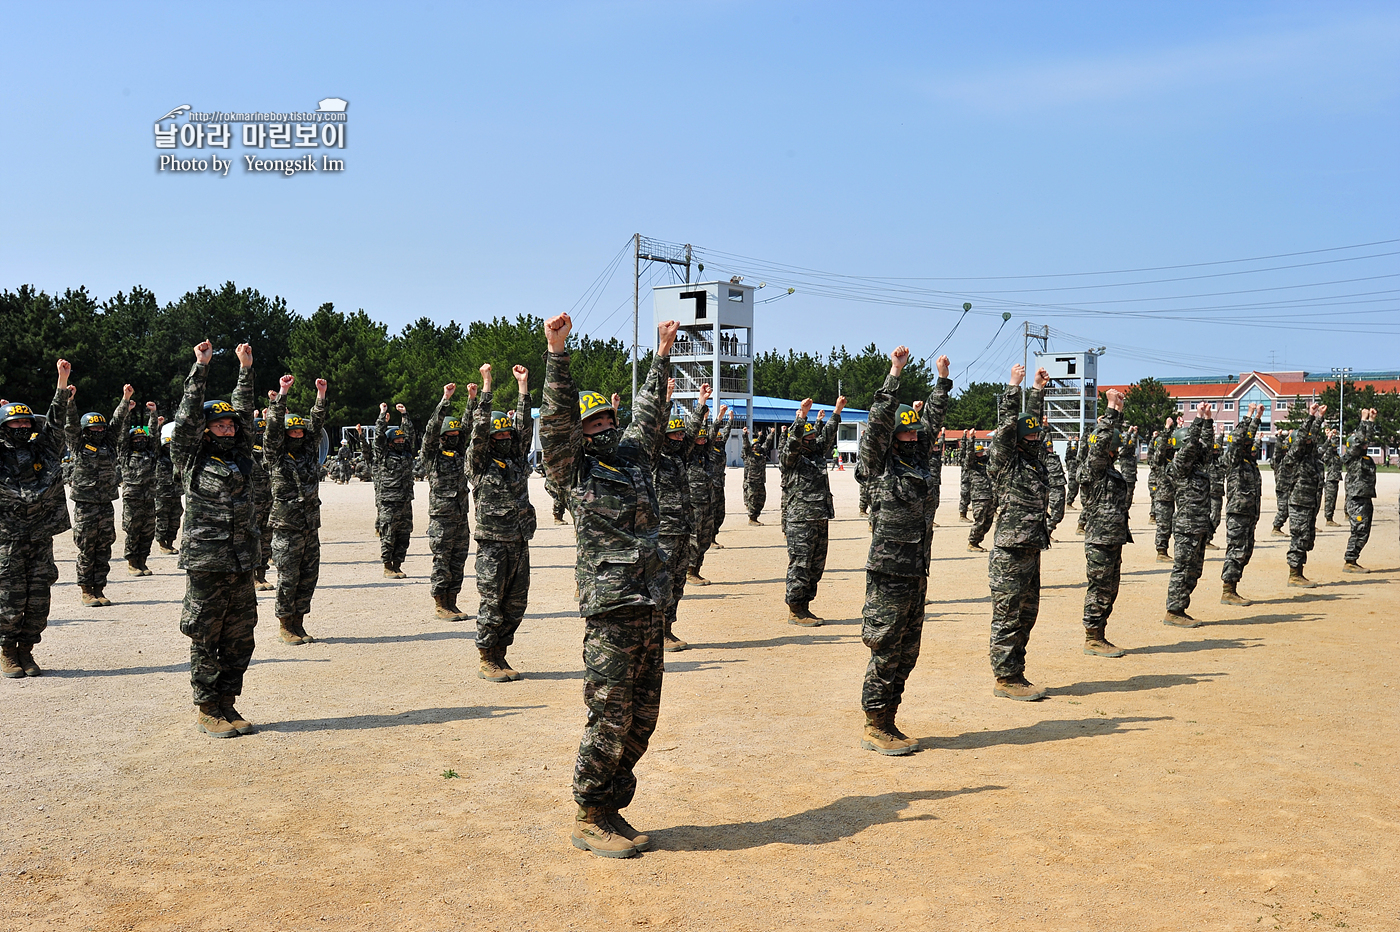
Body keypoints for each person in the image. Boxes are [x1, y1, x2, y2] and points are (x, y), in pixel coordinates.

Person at [541, 310, 676, 859]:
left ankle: (612, 805)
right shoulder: (573, 469)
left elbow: (648, 411)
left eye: (604, 423)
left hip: (649, 608)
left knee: (643, 716)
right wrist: (557, 355)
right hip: (611, 608)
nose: (603, 430)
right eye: (591, 425)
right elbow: (553, 421)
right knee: (610, 713)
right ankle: (588, 811)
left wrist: (663, 353)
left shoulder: (632, 460)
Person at [857, 347, 951, 755]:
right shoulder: (879, 466)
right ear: (891, 439)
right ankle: (874, 722)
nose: (912, 437)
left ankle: (890, 719)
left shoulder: (923, 465)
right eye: (905, 433)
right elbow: (878, 424)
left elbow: (934, 421)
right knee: (886, 647)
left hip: (916, 571)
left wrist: (941, 381)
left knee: (908, 650)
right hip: (889, 573)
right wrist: (895, 374)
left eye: (915, 433)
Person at [172, 340, 259, 737]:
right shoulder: (191, 456)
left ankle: (228, 702)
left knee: (240, 638)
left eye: (230, 425)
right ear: (205, 432)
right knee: (205, 635)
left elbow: (245, 414)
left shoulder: (241, 454)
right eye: (219, 425)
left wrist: (245, 369)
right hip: (207, 561)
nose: (227, 428)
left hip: (242, 560)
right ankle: (207, 707)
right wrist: (201, 367)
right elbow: (188, 417)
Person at [0, 362, 73, 679]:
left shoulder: (41, 450)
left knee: (39, 598)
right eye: (14, 422)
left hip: (40, 536)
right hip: (8, 539)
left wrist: (61, 384)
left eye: (25, 422)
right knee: (9, 599)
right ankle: (7, 651)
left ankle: (27, 650)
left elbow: (55, 427)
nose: (21, 426)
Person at [469, 363, 537, 681]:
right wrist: (487, 387)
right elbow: (478, 432)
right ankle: (486, 658)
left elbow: (525, 430)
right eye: (500, 434)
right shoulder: (480, 464)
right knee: (492, 602)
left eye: (508, 433)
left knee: (515, 603)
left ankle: (500, 654)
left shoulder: (516, 459)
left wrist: (523, 388)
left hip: (520, 540)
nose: (507, 437)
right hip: (493, 544)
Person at [987, 364, 1051, 700]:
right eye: (1028, 437)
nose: (1034, 439)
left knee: (1027, 613)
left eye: (1036, 435)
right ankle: (1005, 678)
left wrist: (1038, 392)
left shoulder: (1034, 461)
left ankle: (1017, 671)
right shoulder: (1007, 460)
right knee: (1008, 614)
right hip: (1010, 551)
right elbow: (1009, 426)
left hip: (1031, 547)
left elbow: (1030, 423)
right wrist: (1015, 387)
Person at [264, 375, 328, 645]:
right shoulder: (276, 455)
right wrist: (283, 393)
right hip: (286, 528)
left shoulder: (309, 453)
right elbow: (273, 429)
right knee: (288, 577)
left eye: (300, 432)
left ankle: (299, 621)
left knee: (308, 577)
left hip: (310, 525)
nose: (298, 435)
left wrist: (321, 396)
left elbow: (317, 424)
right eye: (293, 432)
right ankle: (285, 624)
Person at [779, 394, 844, 625]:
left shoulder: (815, 454)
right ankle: (795, 609)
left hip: (819, 516)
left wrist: (836, 412)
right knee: (801, 564)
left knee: (816, 565)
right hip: (800, 519)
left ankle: (805, 606)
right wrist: (802, 417)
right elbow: (793, 444)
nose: (814, 439)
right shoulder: (791, 459)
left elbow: (826, 436)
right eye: (809, 437)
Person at [655, 380, 710, 651]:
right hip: (662, 532)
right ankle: (657, 632)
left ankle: (667, 628)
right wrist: (665, 400)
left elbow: (690, 434)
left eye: (679, 436)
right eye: (673, 435)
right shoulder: (654, 457)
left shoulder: (680, 457)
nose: (678, 439)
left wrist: (700, 404)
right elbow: (653, 429)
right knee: (661, 584)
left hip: (681, 530)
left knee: (677, 583)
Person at [66, 383, 132, 606]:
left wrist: (125, 400)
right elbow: (70, 425)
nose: (98, 431)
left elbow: (117, 422)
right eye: (93, 429)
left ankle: (99, 588)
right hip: (86, 505)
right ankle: (86, 590)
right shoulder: (78, 444)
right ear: (85, 431)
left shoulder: (109, 443)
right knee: (87, 547)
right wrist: (70, 401)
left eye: (100, 429)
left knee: (104, 546)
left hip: (105, 503)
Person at [1078, 390, 1131, 657]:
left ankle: (1100, 633)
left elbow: (1109, 440)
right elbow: (1099, 444)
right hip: (1099, 539)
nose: (1116, 448)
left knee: (1111, 589)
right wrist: (1110, 409)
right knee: (1099, 588)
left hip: (1113, 537)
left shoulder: (1109, 468)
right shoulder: (1093, 468)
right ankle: (1092, 637)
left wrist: (1118, 413)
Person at [421, 381, 476, 621]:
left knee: (458, 559)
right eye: (449, 434)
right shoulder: (432, 454)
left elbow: (468, 426)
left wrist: (471, 400)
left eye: (456, 435)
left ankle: (452, 601)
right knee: (442, 560)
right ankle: (440, 603)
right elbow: (432, 429)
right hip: (442, 517)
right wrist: (445, 400)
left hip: (460, 513)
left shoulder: (460, 452)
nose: (454, 437)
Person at [1163, 403, 1214, 627]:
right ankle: (1173, 611)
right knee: (1182, 569)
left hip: (1200, 525)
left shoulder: (1196, 468)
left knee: (1194, 571)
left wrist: (1208, 421)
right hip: (1186, 527)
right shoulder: (1179, 466)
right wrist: (1197, 421)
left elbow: (1206, 446)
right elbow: (1192, 445)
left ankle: (1181, 608)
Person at [1219, 404, 1264, 605]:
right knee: (1236, 549)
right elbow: (1237, 439)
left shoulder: (1248, 462)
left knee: (1246, 550)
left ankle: (1233, 587)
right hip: (1238, 512)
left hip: (1250, 513)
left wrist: (1258, 417)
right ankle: (1228, 590)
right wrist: (1247, 416)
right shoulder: (1234, 459)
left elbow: (1246, 438)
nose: (1251, 444)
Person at [369, 402, 417, 579]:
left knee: (404, 535)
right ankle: (387, 566)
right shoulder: (383, 454)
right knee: (388, 534)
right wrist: (382, 414)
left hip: (405, 500)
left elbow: (409, 434)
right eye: (396, 440)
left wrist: (404, 415)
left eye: (401, 440)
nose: (401, 442)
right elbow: (379, 435)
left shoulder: (406, 453)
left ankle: (398, 565)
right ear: (389, 443)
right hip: (389, 501)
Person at [1283, 404, 1326, 587]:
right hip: (1300, 503)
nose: (1309, 442)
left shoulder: (1309, 456)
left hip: (1310, 502)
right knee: (1299, 537)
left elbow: (1311, 436)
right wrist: (1310, 416)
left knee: (1307, 538)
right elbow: (1302, 439)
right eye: (1306, 441)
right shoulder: (1295, 455)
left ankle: (1299, 572)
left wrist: (1319, 418)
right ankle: (1294, 575)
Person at [117, 402, 161, 576]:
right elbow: (122, 435)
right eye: (136, 439)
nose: (140, 440)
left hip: (149, 498)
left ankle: (143, 561)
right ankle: (132, 562)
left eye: (143, 438)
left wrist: (153, 414)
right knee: (133, 531)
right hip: (132, 499)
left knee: (148, 531)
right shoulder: (125, 454)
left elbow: (155, 435)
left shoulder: (151, 453)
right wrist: (127, 412)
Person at [1340, 408, 1377, 573]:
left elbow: (1365, 438)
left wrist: (1371, 421)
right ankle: (1349, 561)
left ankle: (1353, 559)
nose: (1365, 444)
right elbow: (1359, 440)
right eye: (1362, 444)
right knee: (1359, 529)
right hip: (1356, 500)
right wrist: (1363, 419)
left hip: (1365, 498)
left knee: (1365, 530)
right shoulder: (1352, 457)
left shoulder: (1364, 457)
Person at [685, 414, 717, 585]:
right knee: (693, 538)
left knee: (704, 539)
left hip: (708, 501)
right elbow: (690, 436)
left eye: (704, 437)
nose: (703, 440)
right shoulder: (687, 455)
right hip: (694, 504)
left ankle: (696, 570)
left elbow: (712, 437)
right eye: (700, 437)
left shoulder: (705, 455)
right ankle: (689, 571)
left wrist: (717, 419)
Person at [250, 410, 274, 590]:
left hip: (269, 505)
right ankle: (251, 578)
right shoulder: (246, 454)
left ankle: (261, 575)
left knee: (266, 542)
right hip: (251, 507)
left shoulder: (270, 455)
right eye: (257, 433)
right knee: (252, 542)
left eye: (263, 433)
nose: (261, 436)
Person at [1148, 416, 1177, 562]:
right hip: (1163, 498)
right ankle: (1161, 551)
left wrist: (1175, 429)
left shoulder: (1170, 461)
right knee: (1164, 525)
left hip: (1171, 497)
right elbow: (1160, 449)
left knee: (1169, 525)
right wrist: (1166, 429)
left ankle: (1164, 550)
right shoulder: (1158, 461)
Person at [707, 405, 733, 548]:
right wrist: (717, 418)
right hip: (710, 485)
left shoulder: (721, 446)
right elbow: (710, 432)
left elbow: (727, 433)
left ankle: (714, 536)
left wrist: (730, 420)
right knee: (710, 513)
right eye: (716, 437)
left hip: (720, 484)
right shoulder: (709, 448)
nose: (718, 439)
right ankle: (709, 540)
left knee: (720, 513)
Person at [155, 420, 183, 554]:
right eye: (167, 444)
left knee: (175, 518)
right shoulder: (158, 456)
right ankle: (162, 543)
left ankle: (170, 542)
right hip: (162, 493)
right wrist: (157, 424)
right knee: (162, 518)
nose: (169, 447)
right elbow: (154, 438)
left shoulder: (176, 457)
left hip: (176, 492)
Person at [965, 437, 993, 552]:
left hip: (990, 495)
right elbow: (969, 455)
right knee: (979, 521)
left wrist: (997, 436)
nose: (981, 454)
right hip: (979, 497)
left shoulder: (986, 461)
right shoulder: (971, 464)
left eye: (982, 452)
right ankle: (972, 542)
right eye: (978, 452)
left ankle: (977, 541)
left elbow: (992, 450)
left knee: (988, 522)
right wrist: (971, 439)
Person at [741, 425, 772, 525]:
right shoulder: (749, 455)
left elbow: (767, 444)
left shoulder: (762, 454)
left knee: (761, 500)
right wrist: (745, 435)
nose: (757, 446)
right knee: (752, 500)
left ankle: (756, 517)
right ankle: (752, 518)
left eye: (758, 444)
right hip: (752, 481)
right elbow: (746, 446)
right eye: (755, 445)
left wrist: (771, 434)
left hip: (761, 481)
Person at [1042, 438, 1067, 545]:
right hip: (1051, 488)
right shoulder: (1042, 457)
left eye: (1051, 447)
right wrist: (1046, 427)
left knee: (1059, 514)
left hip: (1059, 486)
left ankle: (1047, 533)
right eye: (1048, 447)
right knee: (1055, 513)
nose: (1050, 449)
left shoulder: (1055, 457)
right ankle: (1046, 534)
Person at [1271, 431, 1295, 537]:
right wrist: (1279, 438)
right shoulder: (1278, 461)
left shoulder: (1289, 459)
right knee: (1284, 509)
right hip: (1282, 488)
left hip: (1290, 487)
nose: (1286, 452)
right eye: (1284, 451)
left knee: (1290, 509)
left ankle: (1279, 527)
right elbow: (1277, 451)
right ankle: (1276, 527)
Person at [1205, 433, 1225, 550]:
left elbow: (1220, 447)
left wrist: (1221, 434)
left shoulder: (1220, 463)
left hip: (1217, 493)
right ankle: (1206, 539)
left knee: (1216, 518)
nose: (1216, 452)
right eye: (1214, 451)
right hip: (1208, 493)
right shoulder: (1208, 462)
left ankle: (1207, 538)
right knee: (1209, 516)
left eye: (1217, 451)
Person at [1322, 429, 1343, 526]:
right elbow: (1329, 448)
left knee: (1333, 500)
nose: (1335, 448)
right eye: (1334, 447)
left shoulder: (1336, 456)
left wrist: (1335, 435)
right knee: (1329, 500)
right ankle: (1328, 519)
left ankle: (1330, 518)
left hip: (1335, 480)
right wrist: (1329, 437)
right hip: (1331, 480)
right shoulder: (1330, 455)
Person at [958, 429, 974, 521]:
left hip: (970, 478)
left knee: (969, 497)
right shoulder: (964, 460)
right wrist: (965, 436)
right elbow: (963, 449)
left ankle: (964, 512)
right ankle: (962, 515)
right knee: (965, 496)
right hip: (966, 479)